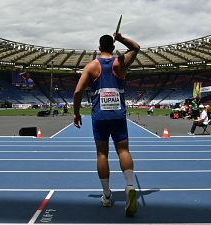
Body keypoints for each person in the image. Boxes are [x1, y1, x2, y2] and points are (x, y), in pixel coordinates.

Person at [73, 33, 140, 217]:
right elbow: (136, 47)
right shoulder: (121, 62)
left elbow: (78, 92)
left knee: (102, 154)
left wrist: (76, 113)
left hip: (100, 116)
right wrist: (121, 38)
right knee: (123, 151)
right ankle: (129, 186)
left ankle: (107, 195)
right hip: (118, 115)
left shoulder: (92, 66)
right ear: (113, 46)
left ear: (99, 46)